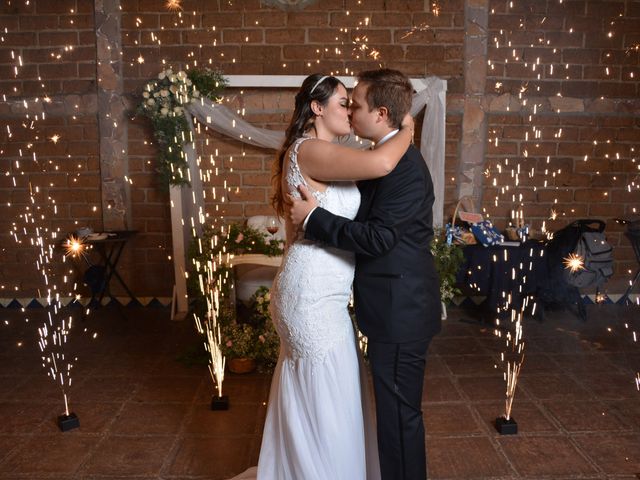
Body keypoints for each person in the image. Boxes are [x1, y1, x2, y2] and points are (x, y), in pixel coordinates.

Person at [228, 73, 413, 480]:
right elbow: (382, 162)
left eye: (351, 103)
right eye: (342, 102)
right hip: (311, 296)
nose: (349, 110)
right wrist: (407, 126)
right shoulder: (309, 150)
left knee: (329, 394)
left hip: (316, 289)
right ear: (316, 108)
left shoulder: (322, 152)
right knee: (330, 394)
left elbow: (299, 231)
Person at [290, 69, 441, 480]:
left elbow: (378, 238)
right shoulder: (382, 156)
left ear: (381, 113)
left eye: (357, 104)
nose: (352, 111)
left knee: (398, 420)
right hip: (387, 305)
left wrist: (313, 219)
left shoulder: (403, 168)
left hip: (401, 310)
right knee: (392, 416)